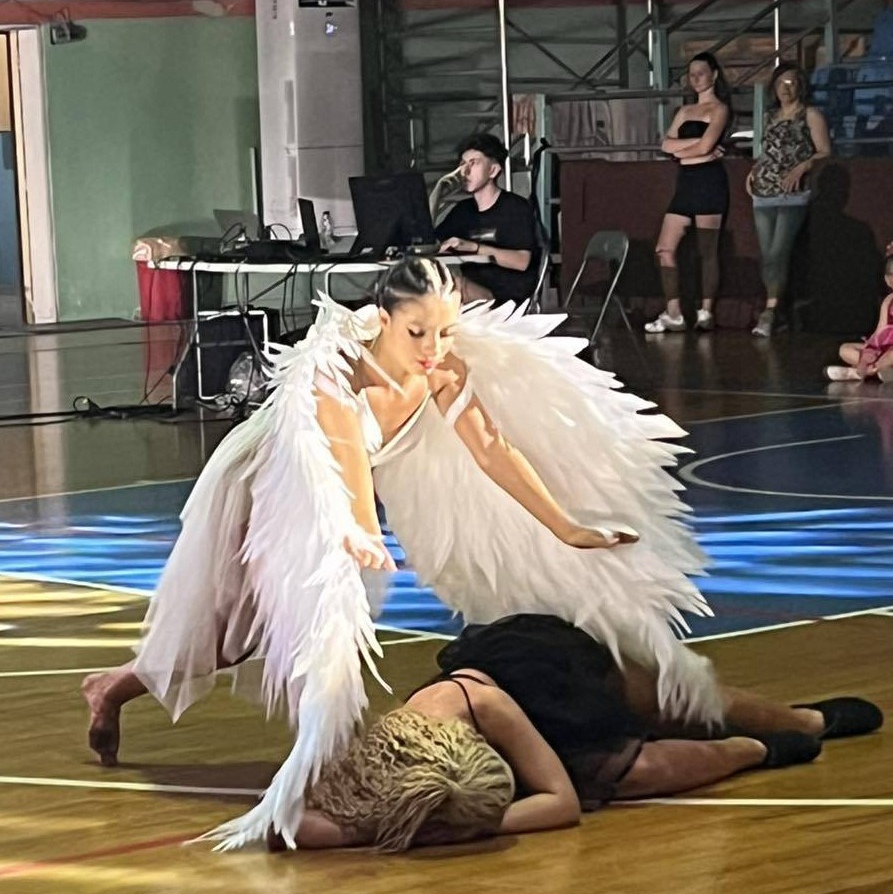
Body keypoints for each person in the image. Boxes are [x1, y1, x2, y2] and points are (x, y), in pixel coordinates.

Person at [83, 256, 724, 850]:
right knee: (244, 630)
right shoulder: (337, 367)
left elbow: (491, 447)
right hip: (267, 485)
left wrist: (566, 527)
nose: (432, 349)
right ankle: (157, 706)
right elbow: (345, 455)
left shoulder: (443, 369)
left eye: (444, 332)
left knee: (238, 641)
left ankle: (112, 687)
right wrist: (362, 527)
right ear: (383, 319)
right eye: (418, 332)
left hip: (337, 501)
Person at [274, 612, 883, 852]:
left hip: (552, 681)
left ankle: (802, 719)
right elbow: (285, 828)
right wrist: (403, 822)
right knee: (640, 773)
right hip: (461, 774)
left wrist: (476, 825)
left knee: (674, 703)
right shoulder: (395, 778)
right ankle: (752, 751)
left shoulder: (481, 702)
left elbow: (560, 801)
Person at [645, 52, 731, 335]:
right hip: (686, 182)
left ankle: (706, 311)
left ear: (714, 75)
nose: (695, 79)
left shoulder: (719, 109)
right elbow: (666, 144)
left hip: (708, 181)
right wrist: (693, 147)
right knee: (665, 248)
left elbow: (706, 147)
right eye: (691, 74)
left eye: (701, 73)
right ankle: (674, 312)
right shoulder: (684, 111)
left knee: (707, 249)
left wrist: (685, 150)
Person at [748, 63, 832, 337]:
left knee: (778, 251)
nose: (785, 88)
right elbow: (767, 151)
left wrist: (803, 166)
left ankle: (770, 311)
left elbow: (824, 150)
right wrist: (754, 171)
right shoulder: (770, 116)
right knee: (767, 254)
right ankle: (777, 311)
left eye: (791, 82)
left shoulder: (809, 114)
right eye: (780, 83)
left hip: (792, 192)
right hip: (764, 189)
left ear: (800, 86)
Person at [434, 133, 539, 305]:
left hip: (508, 296)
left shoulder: (516, 208)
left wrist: (474, 248)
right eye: (462, 164)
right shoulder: (462, 211)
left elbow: (522, 261)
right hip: (475, 288)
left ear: (493, 170)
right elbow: (431, 243)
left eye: (473, 163)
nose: (465, 171)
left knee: (452, 287)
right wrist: (438, 192)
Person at [824, 254, 893, 381]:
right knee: (845, 349)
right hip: (884, 349)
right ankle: (879, 371)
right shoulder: (888, 301)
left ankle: (858, 372)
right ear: (888, 280)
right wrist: (868, 354)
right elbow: (879, 333)